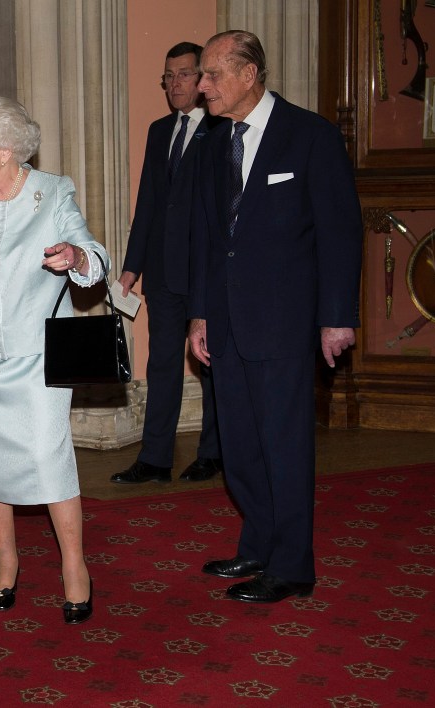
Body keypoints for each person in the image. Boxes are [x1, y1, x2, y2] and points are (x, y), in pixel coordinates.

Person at [188, 31, 362, 603]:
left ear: (249, 74)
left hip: (287, 320)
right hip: (228, 320)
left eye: (212, 74)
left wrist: (337, 317)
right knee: (239, 444)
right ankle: (259, 543)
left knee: (284, 444)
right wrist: (199, 316)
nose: (202, 85)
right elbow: (211, 242)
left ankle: (292, 566)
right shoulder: (215, 143)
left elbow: (340, 232)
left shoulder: (310, 137)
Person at [0, 95, 108, 625]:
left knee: (48, 457)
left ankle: (75, 566)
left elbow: (94, 259)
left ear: (5, 150)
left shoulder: (51, 192)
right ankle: (6, 560)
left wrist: (75, 257)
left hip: (37, 357)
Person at [111, 42, 224, 486]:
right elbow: (149, 206)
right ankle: (155, 458)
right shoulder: (160, 131)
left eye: (184, 75)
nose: (175, 84)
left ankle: (213, 453)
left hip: (205, 273)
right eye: (168, 77)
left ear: (202, 79)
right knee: (161, 365)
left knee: (210, 364)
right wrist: (129, 270)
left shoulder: (220, 130)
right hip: (162, 273)